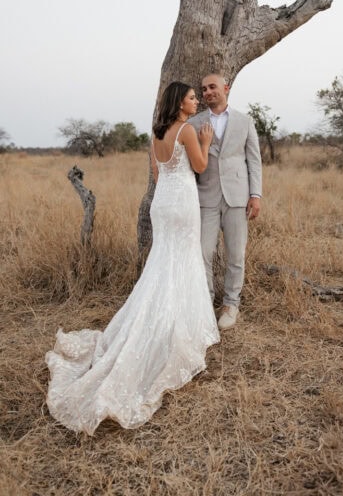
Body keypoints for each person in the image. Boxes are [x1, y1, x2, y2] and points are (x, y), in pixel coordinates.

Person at [45, 82, 219, 435]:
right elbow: (199, 167)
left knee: (162, 264)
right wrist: (206, 142)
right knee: (183, 261)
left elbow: (158, 174)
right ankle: (179, 327)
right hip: (183, 203)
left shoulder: (156, 134)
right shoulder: (187, 130)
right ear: (179, 103)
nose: (195, 101)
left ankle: (158, 319)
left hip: (162, 202)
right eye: (190, 98)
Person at [189, 73, 262, 330]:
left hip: (237, 196)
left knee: (236, 255)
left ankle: (231, 304)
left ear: (226, 89)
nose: (208, 92)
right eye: (204, 89)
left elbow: (254, 160)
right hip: (206, 197)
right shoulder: (194, 122)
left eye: (212, 87)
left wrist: (256, 195)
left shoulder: (245, 121)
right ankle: (206, 302)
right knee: (201, 252)